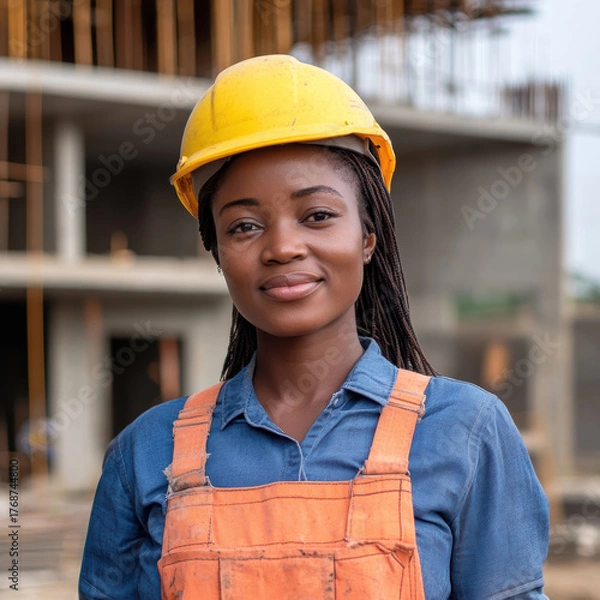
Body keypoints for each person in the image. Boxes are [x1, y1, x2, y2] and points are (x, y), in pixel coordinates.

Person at [79, 54, 549, 599]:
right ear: (217, 253)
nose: (281, 247)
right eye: (244, 226)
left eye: (318, 215)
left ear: (368, 238)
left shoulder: (465, 431)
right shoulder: (145, 453)